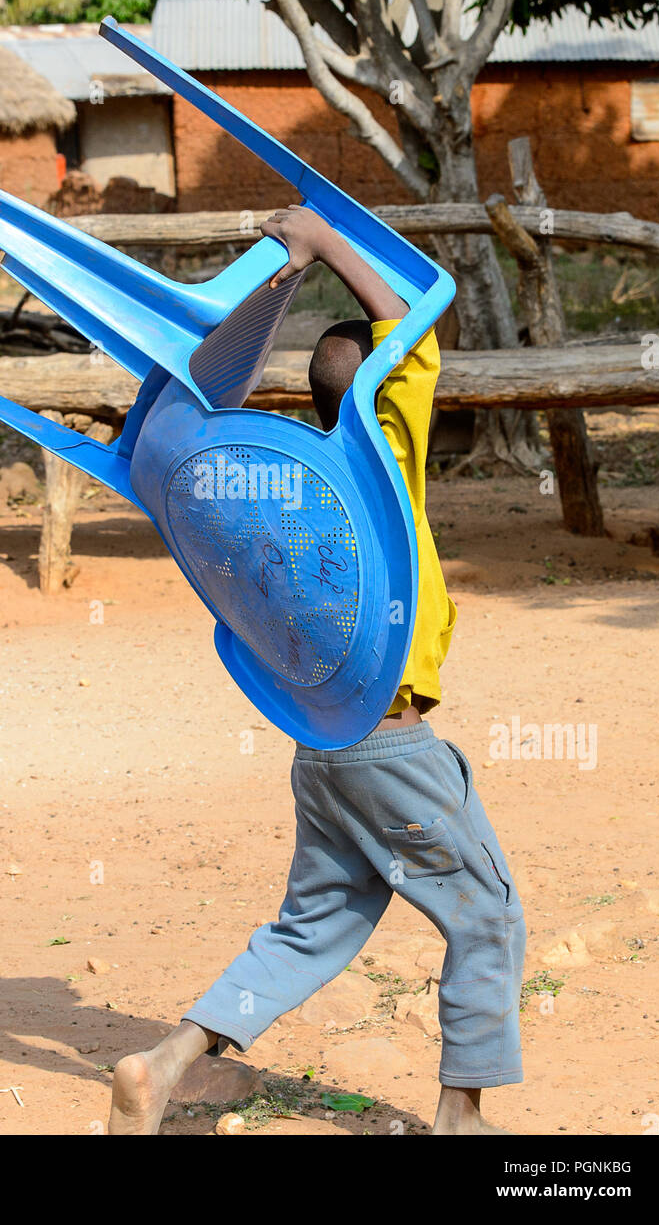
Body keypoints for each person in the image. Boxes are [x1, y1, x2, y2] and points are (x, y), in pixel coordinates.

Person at [108, 205, 526, 1136]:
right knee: (486, 915)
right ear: (384, 388)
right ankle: (461, 1114)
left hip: (322, 748)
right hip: (392, 747)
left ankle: (165, 1062)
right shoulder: (386, 459)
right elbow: (411, 329)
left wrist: (269, 284)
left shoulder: (284, 498)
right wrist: (320, 244)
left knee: (312, 926)